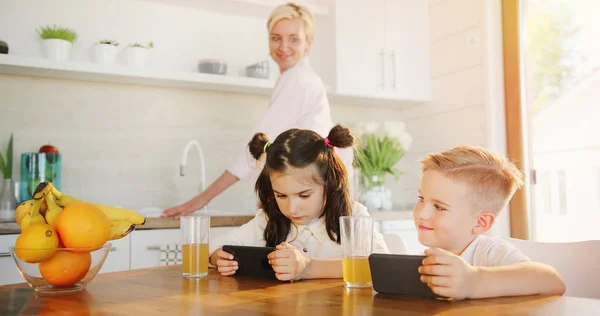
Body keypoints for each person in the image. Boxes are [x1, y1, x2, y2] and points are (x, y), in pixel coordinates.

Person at [162, 2, 352, 218]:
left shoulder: (299, 80)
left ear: (308, 43)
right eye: (276, 37)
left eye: (294, 39)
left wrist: (201, 199)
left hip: (309, 202)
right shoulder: (297, 78)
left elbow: (255, 148)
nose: (283, 46)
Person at [209, 125, 388, 281]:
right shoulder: (267, 220)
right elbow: (214, 246)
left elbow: (380, 265)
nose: (291, 208)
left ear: (329, 183)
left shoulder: (354, 216)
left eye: (304, 195)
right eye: (281, 196)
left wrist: (307, 268)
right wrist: (219, 258)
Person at [414, 145, 566, 299]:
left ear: (481, 223)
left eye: (439, 207)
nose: (422, 213)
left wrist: (473, 282)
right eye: (421, 199)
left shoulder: (490, 252)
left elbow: (552, 281)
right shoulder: (422, 260)